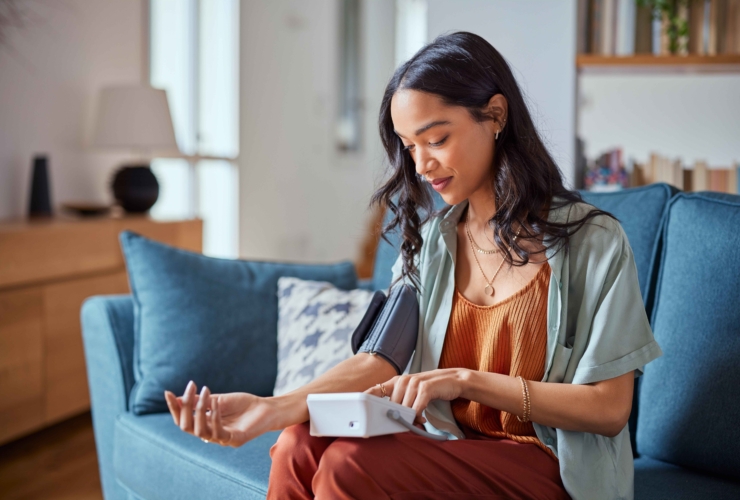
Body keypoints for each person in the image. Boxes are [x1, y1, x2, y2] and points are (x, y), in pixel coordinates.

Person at [164, 32, 662, 499]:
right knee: (298, 442)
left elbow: (609, 409)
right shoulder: (433, 241)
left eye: (436, 138)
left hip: (550, 463)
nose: (421, 165)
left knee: (348, 464)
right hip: (451, 446)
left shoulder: (594, 241)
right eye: (409, 146)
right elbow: (379, 360)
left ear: (494, 115)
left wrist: (463, 380)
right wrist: (270, 411)